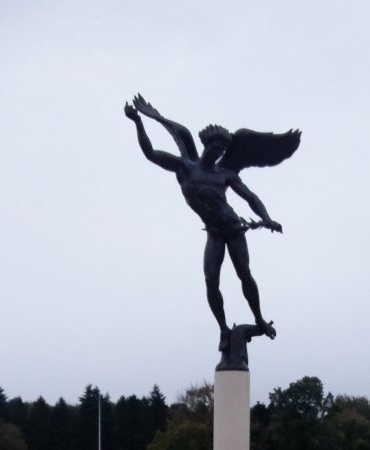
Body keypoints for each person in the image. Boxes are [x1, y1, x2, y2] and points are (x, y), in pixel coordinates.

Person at [124, 97, 300, 350]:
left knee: (244, 273)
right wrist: (139, 122)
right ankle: (223, 329)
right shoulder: (184, 167)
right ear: (206, 146)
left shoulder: (225, 174)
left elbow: (250, 197)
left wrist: (266, 218)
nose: (217, 153)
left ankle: (259, 318)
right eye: (214, 149)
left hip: (234, 228)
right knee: (211, 279)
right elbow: (150, 153)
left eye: (221, 151)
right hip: (215, 232)